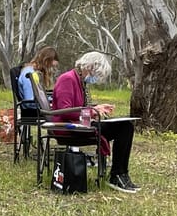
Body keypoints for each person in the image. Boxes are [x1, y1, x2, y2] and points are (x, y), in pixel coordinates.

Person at [51, 51, 139, 194]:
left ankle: (121, 173)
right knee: (123, 128)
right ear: (90, 67)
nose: (96, 78)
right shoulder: (67, 79)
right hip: (68, 127)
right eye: (97, 74)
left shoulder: (80, 81)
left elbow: (80, 108)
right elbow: (65, 111)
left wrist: (96, 108)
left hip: (80, 124)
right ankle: (116, 175)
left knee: (126, 126)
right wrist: (92, 111)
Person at [17, 46, 59, 114]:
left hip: (37, 106)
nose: (51, 70)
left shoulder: (34, 72)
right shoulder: (28, 74)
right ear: (46, 62)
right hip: (32, 110)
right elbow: (29, 102)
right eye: (51, 67)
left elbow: (38, 96)